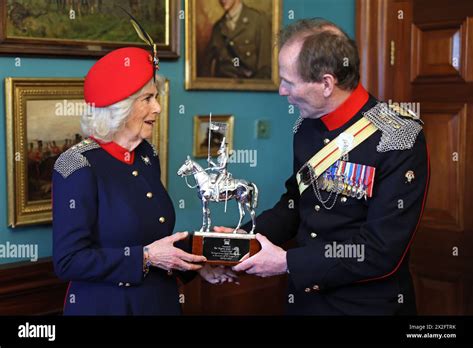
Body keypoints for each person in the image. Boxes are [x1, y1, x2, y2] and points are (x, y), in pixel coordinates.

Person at [215, 18, 429, 315]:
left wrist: (288, 262)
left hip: (365, 307)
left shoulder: (398, 135)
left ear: (327, 83)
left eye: (288, 82)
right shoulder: (307, 127)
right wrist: (245, 237)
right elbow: (295, 203)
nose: (281, 91)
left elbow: (382, 249)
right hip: (305, 301)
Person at [53, 45, 237, 315]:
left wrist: (197, 264)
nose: (158, 107)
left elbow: (155, 239)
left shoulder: (146, 154)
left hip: (160, 303)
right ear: (120, 107)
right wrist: (146, 257)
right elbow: (68, 262)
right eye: (147, 98)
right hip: (108, 307)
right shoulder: (76, 164)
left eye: (156, 96)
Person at [201, 0, 272, 78]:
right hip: (222, 87)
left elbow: (265, 68)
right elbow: (205, 69)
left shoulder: (258, 21)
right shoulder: (217, 28)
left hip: (250, 86)